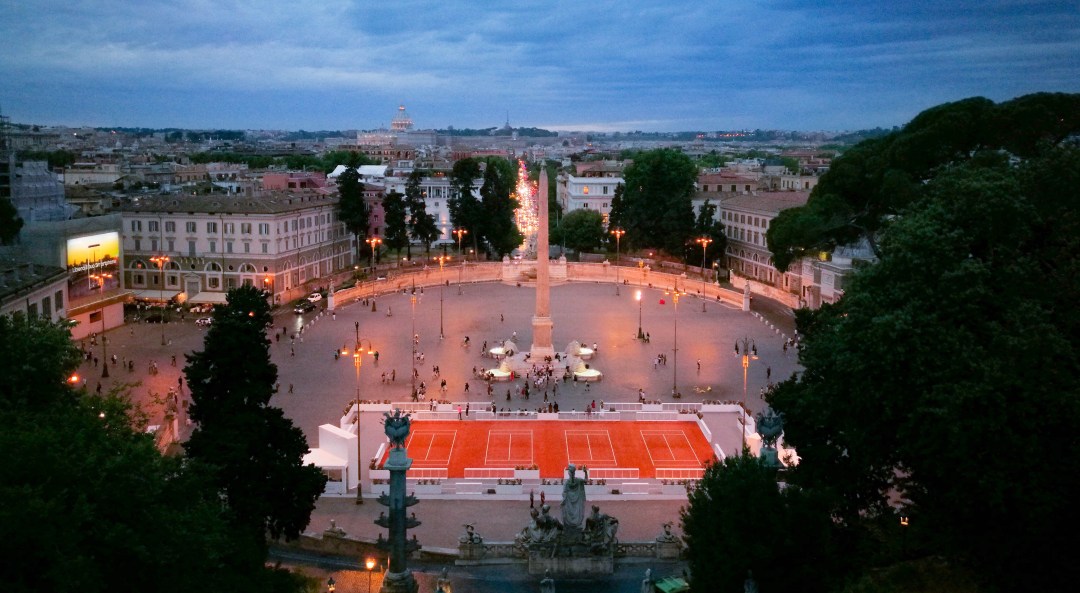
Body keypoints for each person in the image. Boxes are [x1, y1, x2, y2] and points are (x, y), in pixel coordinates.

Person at [561, 463, 588, 529]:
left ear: (569, 473)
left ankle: (569, 524)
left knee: (568, 512)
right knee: (577, 512)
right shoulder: (578, 480)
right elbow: (586, 480)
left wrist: (563, 502)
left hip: (569, 502)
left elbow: (564, 493)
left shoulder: (567, 483)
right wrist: (585, 472)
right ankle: (576, 523)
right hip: (577, 502)